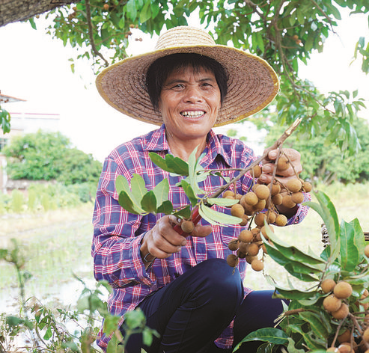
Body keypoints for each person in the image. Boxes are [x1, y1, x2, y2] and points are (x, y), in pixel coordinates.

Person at [92, 26, 309, 353]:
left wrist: (284, 185)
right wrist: (146, 245)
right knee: (220, 279)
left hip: (220, 322)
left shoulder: (238, 157)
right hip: (143, 325)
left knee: (285, 313)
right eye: (177, 85)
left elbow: (280, 213)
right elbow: (102, 263)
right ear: (158, 99)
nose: (193, 96)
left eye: (206, 85)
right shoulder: (126, 161)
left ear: (218, 98)